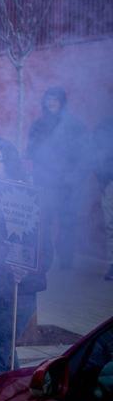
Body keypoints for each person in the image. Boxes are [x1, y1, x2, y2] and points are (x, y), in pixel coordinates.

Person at [0, 138, 45, 388]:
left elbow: (45, 250)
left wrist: (25, 267)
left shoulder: (25, 196)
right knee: (4, 356)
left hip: (17, 291)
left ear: (9, 163)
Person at [27, 87, 87, 269]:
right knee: (43, 221)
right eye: (48, 98)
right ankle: (44, 259)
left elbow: (84, 154)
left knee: (67, 222)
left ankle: (66, 262)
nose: (51, 102)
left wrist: (74, 177)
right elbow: (31, 151)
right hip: (44, 181)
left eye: (55, 99)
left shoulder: (74, 126)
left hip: (67, 183)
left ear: (62, 102)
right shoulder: (39, 124)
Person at [96, 115, 113, 280]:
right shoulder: (107, 125)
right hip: (110, 180)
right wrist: (102, 177)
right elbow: (97, 151)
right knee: (111, 225)